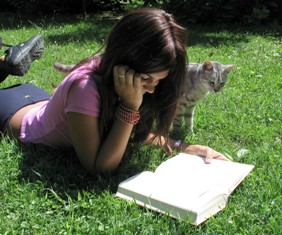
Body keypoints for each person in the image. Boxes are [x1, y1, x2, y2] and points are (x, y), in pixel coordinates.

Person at [0, 8, 229, 174]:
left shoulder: (116, 76)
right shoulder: (84, 87)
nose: (152, 89)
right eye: (147, 79)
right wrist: (129, 108)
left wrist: (181, 146)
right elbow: (98, 166)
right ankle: (6, 60)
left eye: (159, 81)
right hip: (12, 112)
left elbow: (134, 136)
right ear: (125, 62)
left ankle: (8, 61)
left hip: (38, 99)